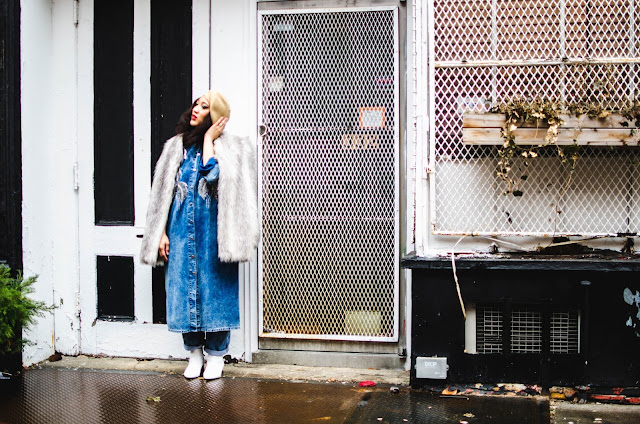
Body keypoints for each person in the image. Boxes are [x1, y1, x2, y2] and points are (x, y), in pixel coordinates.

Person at [140, 90, 259, 379]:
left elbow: (213, 177)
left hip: (214, 235)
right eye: (196, 104)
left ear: (216, 117)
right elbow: (162, 195)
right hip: (181, 233)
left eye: (204, 107)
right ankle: (194, 354)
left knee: (216, 292)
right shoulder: (176, 147)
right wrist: (161, 233)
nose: (195, 109)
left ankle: (216, 356)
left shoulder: (232, 148)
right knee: (183, 292)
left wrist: (208, 140)